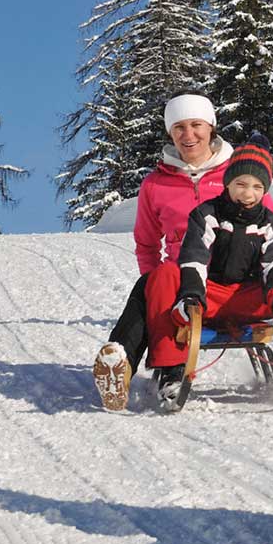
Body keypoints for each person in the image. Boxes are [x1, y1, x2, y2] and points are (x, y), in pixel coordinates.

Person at [140, 144, 273, 411]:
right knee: (165, 273)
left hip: (252, 298)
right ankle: (172, 368)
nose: (249, 194)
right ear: (228, 184)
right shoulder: (206, 215)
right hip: (210, 296)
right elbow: (195, 258)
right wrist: (192, 295)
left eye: (257, 187)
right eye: (241, 184)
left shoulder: (271, 222)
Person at [92, 94, 236, 411]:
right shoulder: (156, 184)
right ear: (170, 133)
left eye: (196, 125)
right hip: (178, 284)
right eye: (179, 127)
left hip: (229, 284)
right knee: (157, 280)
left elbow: (269, 228)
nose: (189, 135)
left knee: (153, 284)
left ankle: (129, 361)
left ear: (211, 126)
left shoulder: (239, 176)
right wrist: (159, 287)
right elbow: (146, 243)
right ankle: (119, 370)